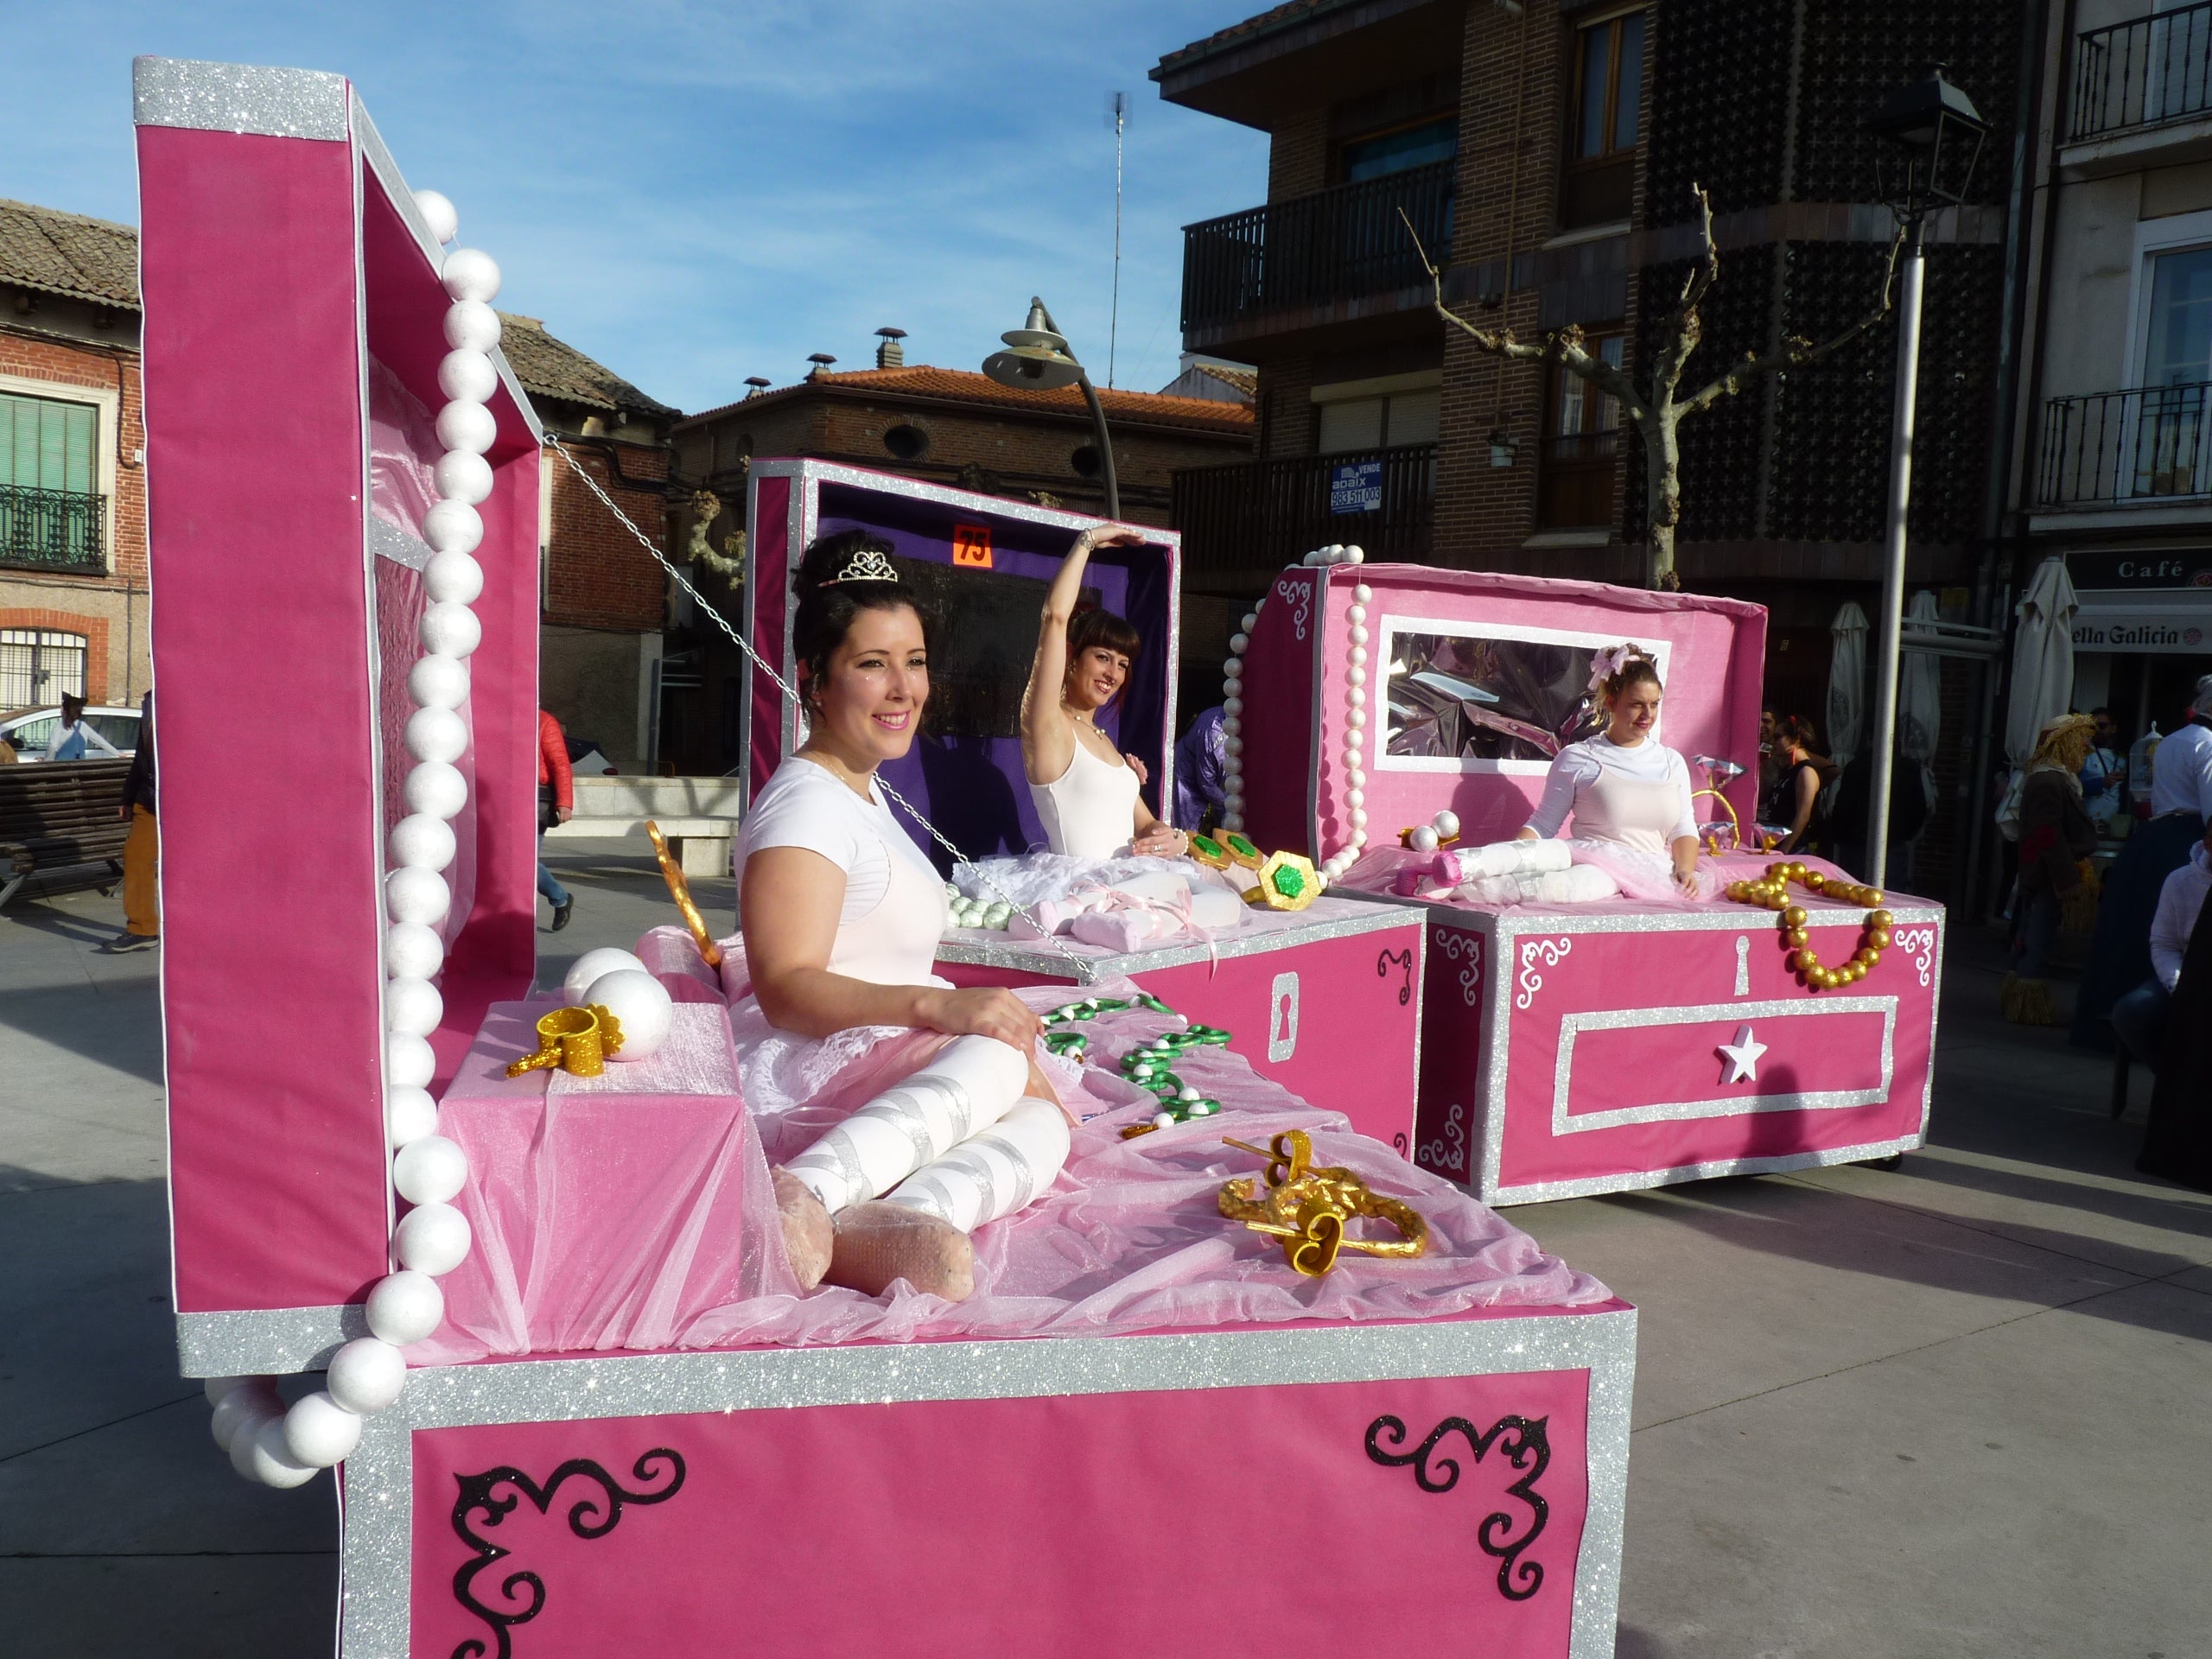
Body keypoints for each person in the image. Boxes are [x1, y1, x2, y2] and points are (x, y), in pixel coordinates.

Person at [737, 529, 1073, 1303]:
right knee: (993, 1060)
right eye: (872, 665)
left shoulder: (866, 789)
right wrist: (944, 1008)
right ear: (813, 680)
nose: (903, 689)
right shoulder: (805, 807)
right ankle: (804, 1200)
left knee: (1042, 1123)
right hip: (813, 1067)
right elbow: (785, 987)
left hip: (883, 1059)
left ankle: (900, 1223)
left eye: (914, 662)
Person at [1402, 645, 1702, 904]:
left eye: (1654, 705)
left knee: (1561, 887)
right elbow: (1543, 824)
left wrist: (1685, 870)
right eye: (1637, 705)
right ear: (1611, 701)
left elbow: (1684, 828)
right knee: (1533, 855)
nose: (1647, 715)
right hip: (1583, 851)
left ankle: (1438, 889)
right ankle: (1455, 866)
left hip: (1635, 871)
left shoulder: (1671, 762)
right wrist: (1516, 857)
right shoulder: (1579, 758)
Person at [1020, 523, 1186, 860]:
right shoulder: (1049, 724)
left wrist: (1170, 838)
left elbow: (1147, 826)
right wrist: (1088, 541)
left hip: (1131, 888)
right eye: (1102, 658)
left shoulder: (1103, 737)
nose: (1113, 674)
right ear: (1071, 659)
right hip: (1083, 895)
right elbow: (1055, 617)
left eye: (1123, 664)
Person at [2074, 675, 2212, 1048]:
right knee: (2175, 935)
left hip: (2150, 841)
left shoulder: (2168, 742)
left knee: (2132, 932)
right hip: (2186, 842)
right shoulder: (2209, 745)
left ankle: (2105, 1025)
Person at [2004, 713, 2099, 1026]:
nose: (2086, 746)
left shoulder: (2057, 777)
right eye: (2081, 739)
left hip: (2044, 870)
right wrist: (2067, 878)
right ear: (2064, 743)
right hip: (2046, 873)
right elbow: (2047, 834)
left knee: (2032, 932)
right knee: (2038, 935)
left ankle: (2017, 994)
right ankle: (2026, 1001)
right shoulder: (2048, 780)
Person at [2110, 830, 2211, 1071]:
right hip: (2185, 977)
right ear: (2208, 844)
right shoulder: (2180, 881)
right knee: (2132, 1011)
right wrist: (2178, 984)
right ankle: (2173, 1080)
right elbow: (2164, 943)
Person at [104, 690, 159, 954]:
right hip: (149, 798)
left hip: (187, 799)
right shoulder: (150, 699)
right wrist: (128, 797)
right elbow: (141, 754)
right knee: (136, 856)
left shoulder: (194, 687)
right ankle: (142, 928)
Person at [1761, 715, 1825, 853]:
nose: (1773, 742)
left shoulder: (1805, 772)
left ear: (1796, 740)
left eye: (1778, 737)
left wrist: (1785, 850)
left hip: (1794, 849)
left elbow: (1803, 815)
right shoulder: (1787, 769)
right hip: (1774, 844)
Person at [536, 708, 574, 931]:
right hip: (506, 798)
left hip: (536, 796)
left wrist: (564, 802)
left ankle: (560, 898)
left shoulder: (544, 721)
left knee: (526, 861)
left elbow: (560, 762)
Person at [1173, 704, 1227, 835]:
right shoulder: (1214, 732)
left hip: (1204, 777)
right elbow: (1206, 783)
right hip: (1185, 779)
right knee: (1185, 835)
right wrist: (1228, 808)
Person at [2081, 706, 2124, 831]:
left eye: (2102, 725)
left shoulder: (2122, 758)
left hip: (2114, 824)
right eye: (2092, 727)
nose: (2097, 730)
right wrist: (2101, 783)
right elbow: (2072, 786)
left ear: (2113, 728)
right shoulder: (2082, 754)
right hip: (2087, 822)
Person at [42, 694, 119, 761]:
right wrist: (118, 753)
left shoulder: (60, 726)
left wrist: (46, 761)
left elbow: (53, 746)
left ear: (64, 710)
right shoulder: (83, 726)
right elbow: (101, 742)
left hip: (62, 769)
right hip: (80, 768)